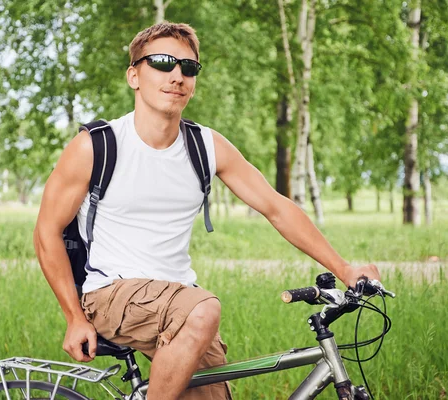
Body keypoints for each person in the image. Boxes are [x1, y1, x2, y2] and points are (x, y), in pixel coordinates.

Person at [33, 21, 380, 400]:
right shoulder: (96, 146)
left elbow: (276, 207)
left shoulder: (206, 146)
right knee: (205, 308)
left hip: (180, 298)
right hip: (111, 293)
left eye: (189, 67)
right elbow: (46, 231)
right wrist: (74, 317)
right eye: (162, 63)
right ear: (134, 75)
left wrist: (343, 268)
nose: (176, 75)